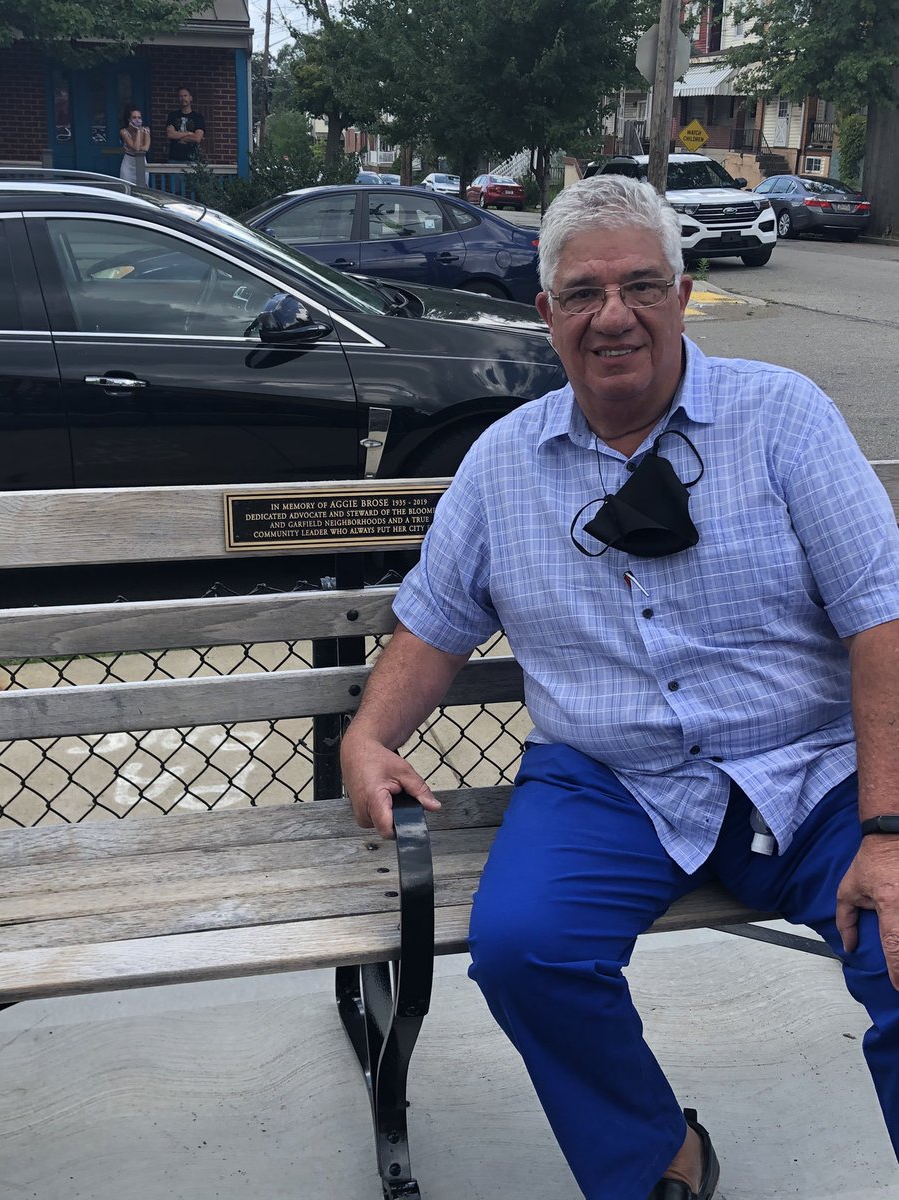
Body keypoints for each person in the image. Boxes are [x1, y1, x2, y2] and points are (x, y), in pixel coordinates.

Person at [340, 173, 899, 1200]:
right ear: (545, 312)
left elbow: (882, 613)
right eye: (584, 292)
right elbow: (437, 623)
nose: (614, 316)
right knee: (523, 950)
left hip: (809, 767)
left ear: (684, 297)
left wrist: (888, 829)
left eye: (642, 285)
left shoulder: (785, 419)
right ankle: (655, 1162)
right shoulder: (503, 464)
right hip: (611, 779)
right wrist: (369, 735)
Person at [165, 87, 205, 162]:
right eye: (180, 96)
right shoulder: (173, 116)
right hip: (175, 159)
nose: (183, 98)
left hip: (193, 159)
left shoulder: (198, 117)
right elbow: (170, 135)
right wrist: (189, 133)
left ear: (191, 98)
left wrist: (177, 135)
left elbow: (197, 138)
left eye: (185, 95)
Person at [118, 105, 150, 183]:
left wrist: (139, 130)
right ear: (129, 119)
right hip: (128, 163)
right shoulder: (124, 131)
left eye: (139, 117)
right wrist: (138, 131)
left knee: (143, 186)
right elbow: (136, 148)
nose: (137, 120)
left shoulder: (146, 130)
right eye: (134, 117)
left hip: (141, 162)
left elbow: (146, 148)